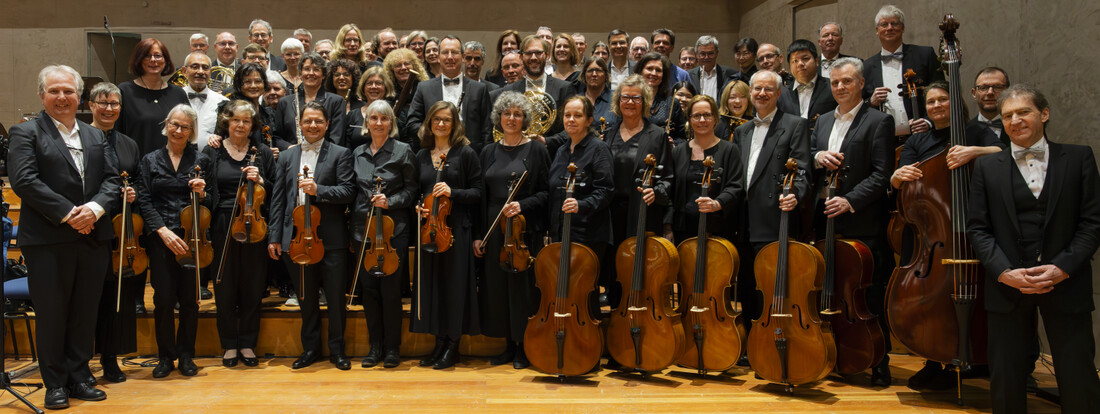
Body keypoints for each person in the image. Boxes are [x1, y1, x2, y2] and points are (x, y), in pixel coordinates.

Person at [967, 84, 1100, 414]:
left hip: (1067, 282)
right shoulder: (986, 168)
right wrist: (1004, 272)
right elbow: (978, 230)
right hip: (1008, 286)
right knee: (1007, 380)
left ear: (1044, 114)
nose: (1015, 120)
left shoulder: (1079, 157)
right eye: (1008, 115)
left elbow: (1092, 223)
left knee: (1078, 375)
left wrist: (1062, 268)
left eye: (1023, 112)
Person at [8, 65, 120, 409]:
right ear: (42, 96)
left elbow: (113, 180)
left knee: (84, 313)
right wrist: (71, 214)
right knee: (53, 314)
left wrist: (96, 210)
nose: (62, 97)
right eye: (54, 91)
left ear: (79, 97)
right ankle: (54, 382)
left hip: (92, 236)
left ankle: (79, 376)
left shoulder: (95, 135)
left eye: (68, 91)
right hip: (49, 239)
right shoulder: (25, 132)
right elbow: (24, 181)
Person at [890, 80, 1002, 390]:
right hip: (933, 231)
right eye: (931, 102)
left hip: (974, 232)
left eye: (943, 100)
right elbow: (901, 179)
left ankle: (983, 357)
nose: (937, 105)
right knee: (931, 297)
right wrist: (897, 176)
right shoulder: (918, 140)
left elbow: (1003, 152)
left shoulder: (976, 132)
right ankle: (934, 358)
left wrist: (974, 152)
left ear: (956, 102)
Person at [809, 57, 895, 386]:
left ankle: (878, 361)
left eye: (847, 81)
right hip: (825, 219)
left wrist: (850, 200)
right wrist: (817, 156)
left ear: (861, 84)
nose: (840, 87)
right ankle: (835, 353)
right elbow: (811, 155)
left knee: (867, 295)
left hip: (861, 223)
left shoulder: (877, 121)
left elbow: (881, 173)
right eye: (834, 83)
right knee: (828, 290)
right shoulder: (822, 123)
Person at [268, 101, 355, 370]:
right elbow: (278, 199)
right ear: (300, 125)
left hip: (331, 239)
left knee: (336, 298)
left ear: (327, 124)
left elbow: (348, 192)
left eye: (318, 121)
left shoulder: (341, 154)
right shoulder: (286, 157)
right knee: (306, 297)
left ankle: (338, 350)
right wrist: (274, 236)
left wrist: (320, 190)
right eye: (308, 121)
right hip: (296, 239)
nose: (313, 126)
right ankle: (311, 349)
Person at [473, 92, 550, 369]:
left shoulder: (538, 151)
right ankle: (507, 344)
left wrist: (523, 205)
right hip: (494, 230)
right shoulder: (487, 151)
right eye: (507, 114)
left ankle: (523, 346)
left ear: (525, 119)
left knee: (522, 289)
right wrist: (480, 235)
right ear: (499, 118)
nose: (512, 118)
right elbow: (481, 196)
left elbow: (546, 192)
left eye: (518, 114)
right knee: (497, 288)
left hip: (522, 230)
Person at [731, 70, 812, 334]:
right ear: (750, 93)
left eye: (768, 89)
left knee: (772, 284)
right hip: (742, 219)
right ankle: (752, 339)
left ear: (778, 93)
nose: (762, 94)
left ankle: (774, 336)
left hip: (774, 216)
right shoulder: (742, 130)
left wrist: (794, 194)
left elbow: (800, 168)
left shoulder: (795, 124)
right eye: (757, 89)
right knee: (746, 284)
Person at [198, 99, 275, 369]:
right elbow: (206, 192)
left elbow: (276, 190)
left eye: (246, 121)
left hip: (255, 222)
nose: (241, 125)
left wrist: (262, 180)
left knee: (253, 285)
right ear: (226, 122)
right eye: (235, 120)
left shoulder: (262, 152)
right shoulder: (213, 151)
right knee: (225, 284)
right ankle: (229, 343)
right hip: (222, 222)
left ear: (252, 125)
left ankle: (248, 343)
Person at [132, 104, 204, 379]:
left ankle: (186, 355)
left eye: (185, 127)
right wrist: (162, 230)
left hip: (191, 238)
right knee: (163, 300)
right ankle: (165, 357)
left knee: (189, 300)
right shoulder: (150, 160)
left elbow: (215, 201)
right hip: (161, 239)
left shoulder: (201, 160)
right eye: (174, 124)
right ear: (166, 124)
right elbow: (144, 200)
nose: (178, 130)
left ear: (191, 131)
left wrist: (203, 193)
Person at [412, 101, 484, 370]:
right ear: (429, 123)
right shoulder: (421, 155)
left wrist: (453, 192)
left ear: (454, 124)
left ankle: (453, 345)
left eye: (446, 120)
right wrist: (419, 206)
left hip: (456, 230)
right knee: (433, 288)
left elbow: (478, 192)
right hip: (430, 231)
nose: (441, 124)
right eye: (436, 120)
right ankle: (439, 342)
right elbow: (418, 192)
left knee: (454, 288)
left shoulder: (465, 153)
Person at [351, 100, 419, 369]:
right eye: (374, 118)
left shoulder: (403, 151)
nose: (378, 123)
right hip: (363, 231)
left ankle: (392, 348)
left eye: (384, 118)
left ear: (392, 123)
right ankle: (374, 347)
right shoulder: (357, 153)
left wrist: (389, 201)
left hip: (394, 233)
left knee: (390, 292)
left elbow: (412, 190)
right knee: (369, 292)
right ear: (367, 122)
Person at [600, 74, 674, 313]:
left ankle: (639, 322)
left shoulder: (657, 135)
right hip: (611, 214)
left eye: (636, 98)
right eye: (625, 97)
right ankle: (615, 324)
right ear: (617, 102)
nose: (630, 102)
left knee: (637, 269)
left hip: (641, 211)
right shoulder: (608, 134)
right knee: (613, 270)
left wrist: (656, 192)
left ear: (645, 102)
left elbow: (668, 178)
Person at [86, 82, 142, 384]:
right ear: (91, 105)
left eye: (115, 104)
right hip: (89, 226)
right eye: (103, 102)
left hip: (121, 230)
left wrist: (132, 193)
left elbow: (135, 179)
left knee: (114, 296)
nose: (109, 109)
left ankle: (111, 357)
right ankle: (82, 358)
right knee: (87, 296)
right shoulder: (80, 138)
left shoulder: (128, 144)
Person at [545, 95, 614, 317]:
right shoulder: (561, 150)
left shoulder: (599, 149)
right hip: (561, 232)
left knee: (585, 291)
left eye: (578, 115)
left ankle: (589, 344)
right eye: (567, 115)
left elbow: (605, 191)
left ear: (589, 120)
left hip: (588, 234)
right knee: (563, 288)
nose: (571, 120)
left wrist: (581, 204)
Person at [668, 95, 744, 243]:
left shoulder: (730, 150)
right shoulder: (678, 151)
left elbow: (735, 186)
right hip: (683, 231)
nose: (702, 120)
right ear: (689, 119)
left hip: (718, 230)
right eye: (696, 116)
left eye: (707, 115)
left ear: (715, 118)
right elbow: (670, 192)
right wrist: (667, 226)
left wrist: (718, 203)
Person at [863, 4, 944, 138]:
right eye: (884, 24)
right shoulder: (867, 66)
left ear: (903, 28)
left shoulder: (925, 55)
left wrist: (929, 122)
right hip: (883, 138)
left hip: (922, 135)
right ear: (877, 30)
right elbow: (858, 104)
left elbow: (942, 91)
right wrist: (871, 102)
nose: (890, 28)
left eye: (894, 23)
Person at [406, 36, 494, 154]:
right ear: (438, 57)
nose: (450, 57)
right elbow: (412, 122)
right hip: (433, 154)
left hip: (470, 156)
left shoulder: (479, 89)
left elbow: (487, 129)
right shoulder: (424, 88)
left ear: (463, 57)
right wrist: (434, 135)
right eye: (445, 52)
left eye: (454, 52)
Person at [116, 38, 190, 156]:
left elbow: (188, 131)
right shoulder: (125, 91)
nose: (153, 60)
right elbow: (116, 134)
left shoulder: (178, 93)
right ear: (138, 60)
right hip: (136, 166)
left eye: (157, 56)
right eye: (147, 56)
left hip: (172, 166)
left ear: (165, 60)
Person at [492, 35, 572, 138]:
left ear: (547, 56)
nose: (533, 58)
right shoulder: (509, 90)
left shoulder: (564, 88)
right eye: (529, 53)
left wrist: (546, 142)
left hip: (552, 152)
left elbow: (571, 128)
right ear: (521, 57)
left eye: (538, 53)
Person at [274, 53, 346, 146]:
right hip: (292, 157)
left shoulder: (336, 101)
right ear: (300, 74)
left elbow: (337, 138)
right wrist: (289, 148)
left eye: (316, 69)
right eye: (307, 69)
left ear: (323, 75)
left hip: (325, 157)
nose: (311, 73)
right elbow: (277, 137)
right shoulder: (285, 102)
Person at [777, 39, 837, 121]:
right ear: (789, 66)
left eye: (805, 59)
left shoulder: (833, 87)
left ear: (816, 61)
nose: (800, 64)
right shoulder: (781, 94)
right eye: (795, 61)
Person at [632, 52, 685, 143]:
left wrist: (673, 143)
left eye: (658, 70)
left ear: (663, 76)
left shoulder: (672, 103)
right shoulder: (629, 100)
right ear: (640, 72)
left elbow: (682, 138)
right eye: (649, 68)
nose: (653, 73)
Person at [382, 48, 429, 147]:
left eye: (407, 64)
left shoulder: (425, 90)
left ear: (414, 66)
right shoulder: (387, 94)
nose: (403, 68)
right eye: (398, 65)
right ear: (391, 70)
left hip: (422, 144)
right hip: (397, 145)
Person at [182, 52, 228, 150]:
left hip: (212, 160)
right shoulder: (174, 97)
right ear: (184, 71)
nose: (200, 71)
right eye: (195, 67)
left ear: (210, 73)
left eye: (205, 67)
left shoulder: (223, 102)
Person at [344, 66, 398, 149]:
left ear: (386, 87)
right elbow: (346, 146)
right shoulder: (352, 115)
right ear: (363, 88)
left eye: (378, 83)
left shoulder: (395, 112)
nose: (373, 87)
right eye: (369, 83)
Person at [968, 67, 1011, 146]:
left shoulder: (1018, 125)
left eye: (997, 87)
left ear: (1007, 91)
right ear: (974, 93)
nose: (990, 93)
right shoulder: (965, 130)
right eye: (983, 88)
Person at [689, 36, 733, 102]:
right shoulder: (688, 75)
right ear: (696, 55)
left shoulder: (730, 74)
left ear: (717, 53)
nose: (706, 57)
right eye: (702, 54)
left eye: (710, 53)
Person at [580, 56, 612, 124]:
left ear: (606, 75)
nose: (594, 74)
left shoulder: (615, 99)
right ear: (584, 75)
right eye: (590, 71)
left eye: (598, 70)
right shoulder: (577, 100)